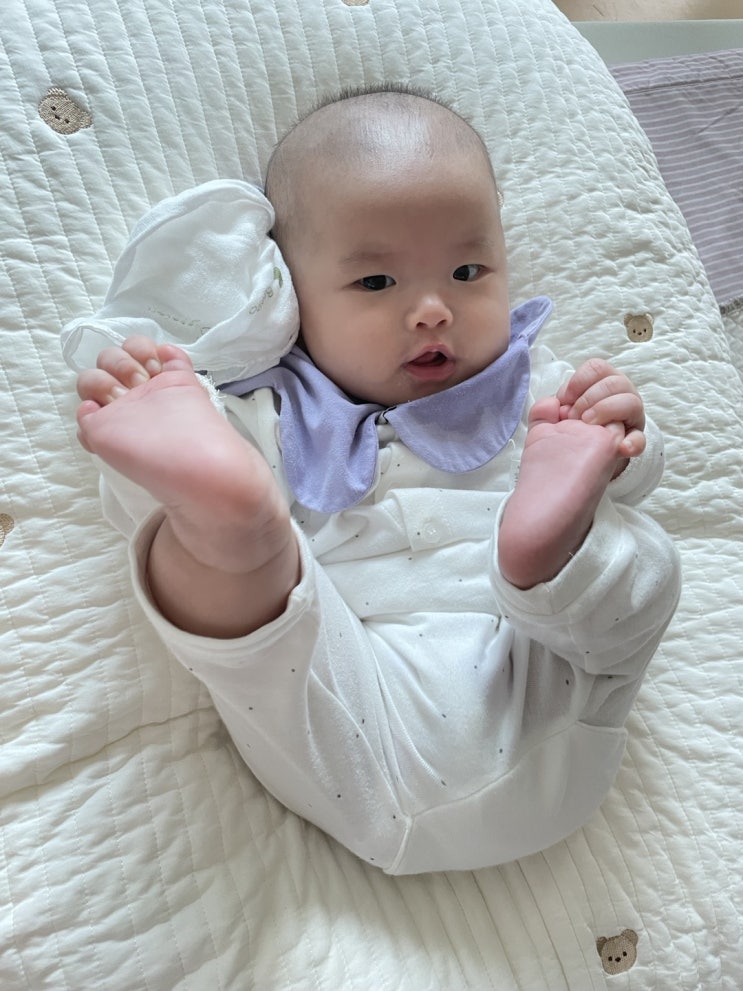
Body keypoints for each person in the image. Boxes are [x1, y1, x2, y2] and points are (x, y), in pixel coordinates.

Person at [73, 86, 681, 874]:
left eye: (466, 270)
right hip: (361, 691)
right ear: (292, 298)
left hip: (538, 661)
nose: (432, 310)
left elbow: (631, 480)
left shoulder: (535, 389)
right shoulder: (273, 413)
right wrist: (192, 446)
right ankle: (231, 523)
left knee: (639, 559)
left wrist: (620, 435)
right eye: (375, 283)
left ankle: (548, 554)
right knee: (257, 611)